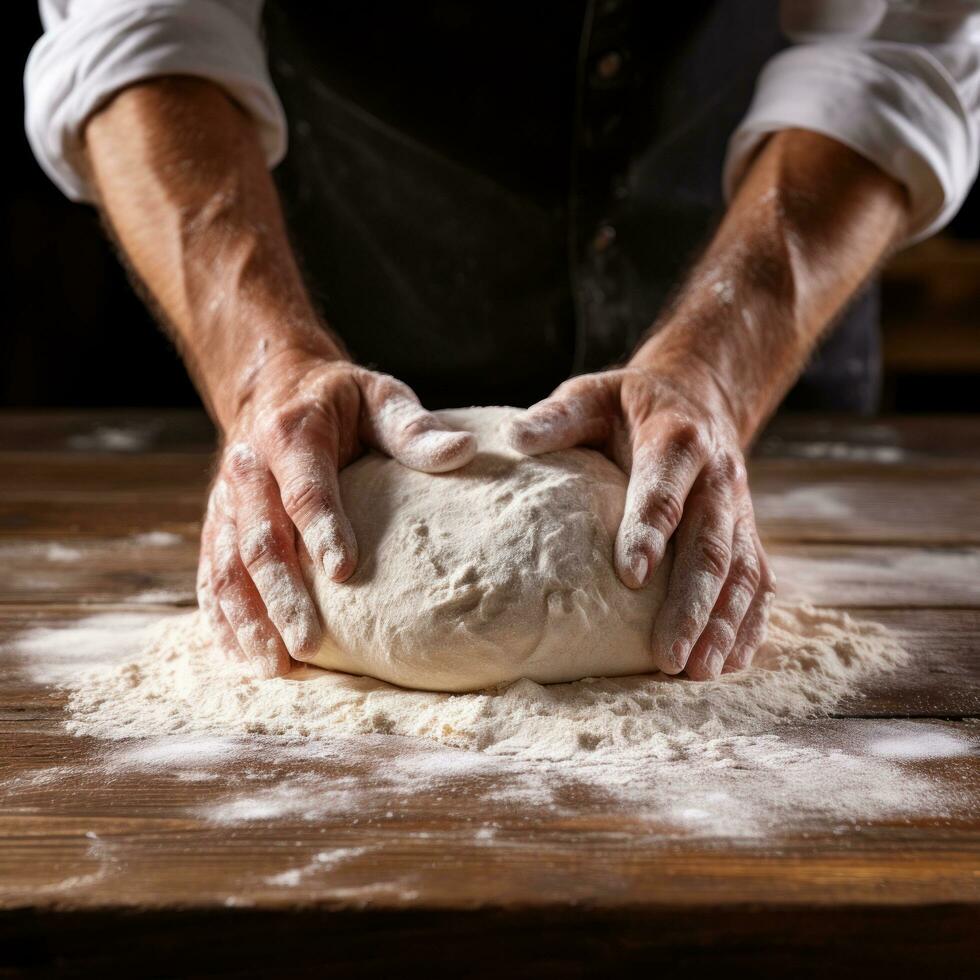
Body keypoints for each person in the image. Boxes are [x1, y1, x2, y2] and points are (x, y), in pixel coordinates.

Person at [25, 1, 980, 681]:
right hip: (338, 236)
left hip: (757, 244)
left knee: (679, 546)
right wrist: (264, 367)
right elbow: (140, 32)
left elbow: (898, 42)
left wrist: (717, 372)